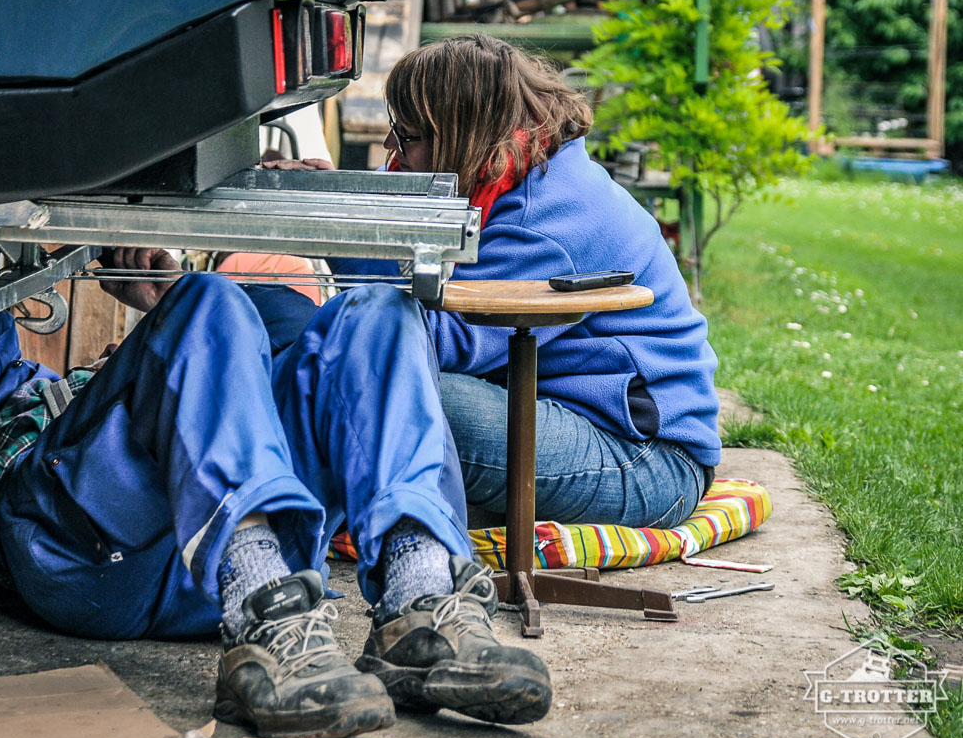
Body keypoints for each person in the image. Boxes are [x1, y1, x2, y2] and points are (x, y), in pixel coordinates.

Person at [0, 242, 553, 738]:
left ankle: (420, 601)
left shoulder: (205, 377)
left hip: (213, 561)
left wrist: (156, 298)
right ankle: (265, 621)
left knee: (379, 312)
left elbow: (277, 353)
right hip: (76, 560)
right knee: (209, 298)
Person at [288, 34, 721, 532]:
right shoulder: (526, 171)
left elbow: (442, 341)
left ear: (463, 136)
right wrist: (336, 197)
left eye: (407, 136)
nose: (392, 147)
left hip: (646, 461)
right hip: (568, 415)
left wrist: (337, 234)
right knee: (373, 399)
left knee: (391, 391)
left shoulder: (545, 217)